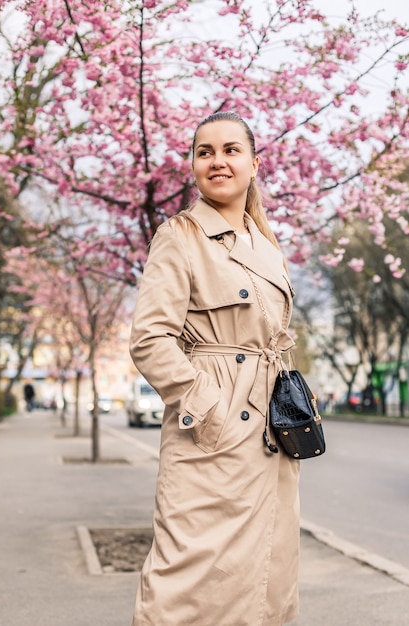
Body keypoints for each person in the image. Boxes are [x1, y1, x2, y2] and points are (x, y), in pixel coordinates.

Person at [129, 111, 300, 626]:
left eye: (230, 150)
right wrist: (210, 409)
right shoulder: (179, 236)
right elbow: (150, 339)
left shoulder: (264, 241)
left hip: (270, 433)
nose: (217, 161)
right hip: (212, 430)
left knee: (267, 569)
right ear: (193, 166)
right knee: (189, 573)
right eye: (205, 152)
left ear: (254, 163)